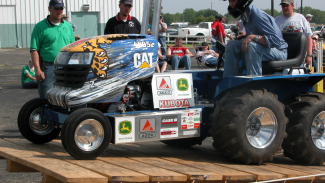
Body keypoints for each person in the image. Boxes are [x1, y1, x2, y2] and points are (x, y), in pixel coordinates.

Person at [223, 0, 288, 77]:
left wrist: (253, 37)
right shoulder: (245, 14)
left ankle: (254, 85)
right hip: (263, 48)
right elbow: (256, 33)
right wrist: (245, 36)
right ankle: (230, 83)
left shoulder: (257, 15)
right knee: (232, 45)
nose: (230, 5)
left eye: (233, 1)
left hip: (278, 51)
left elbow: (275, 40)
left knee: (252, 46)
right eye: (229, 1)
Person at [30, 0, 75, 98]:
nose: (59, 11)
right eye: (56, 8)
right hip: (48, 68)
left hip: (66, 67)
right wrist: (37, 69)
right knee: (47, 98)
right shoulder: (40, 27)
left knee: (66, 97)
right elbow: (34, 50)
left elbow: (73, 47)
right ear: (49, 8)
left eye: (61, 8)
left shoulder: (68, 26)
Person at [275, 0, 313, 68]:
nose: (285, 8)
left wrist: (309, 55)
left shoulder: (301, 18)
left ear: (292, 5)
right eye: (283, 6)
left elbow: (308, 37)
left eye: (287, 5)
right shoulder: (276, 20)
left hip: (299, 56)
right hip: (282, 56)